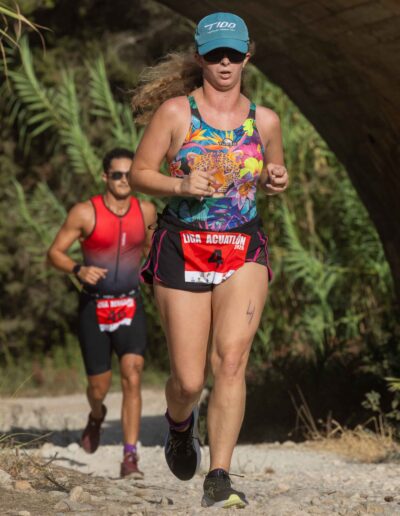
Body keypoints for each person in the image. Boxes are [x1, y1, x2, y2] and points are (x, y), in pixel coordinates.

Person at [130, 12, 289, 508]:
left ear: (248, 56)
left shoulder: (265, 120)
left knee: (232, 360)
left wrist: (276, 179)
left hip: (242, 246)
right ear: (200, 56)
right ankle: (181, 425)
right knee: (189, 379)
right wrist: (179, 185)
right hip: (183, 245)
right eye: (216, 54)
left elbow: (271, 174)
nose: (225, 63)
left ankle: (219, 474)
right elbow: (138, 173)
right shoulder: (176, 113)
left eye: (234, 54)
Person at [47, 147, 156, 478]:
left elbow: (151, 251)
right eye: (117, 174)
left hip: (130, 303)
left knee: (133, 373)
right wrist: (78, 269)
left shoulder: (146, 210)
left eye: (129, 174)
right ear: (105, 176)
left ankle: (130, 456)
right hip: (95, 307)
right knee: (99, 387)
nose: (124, 180)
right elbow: (54, 253)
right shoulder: (85, 212)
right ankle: (97, 414)